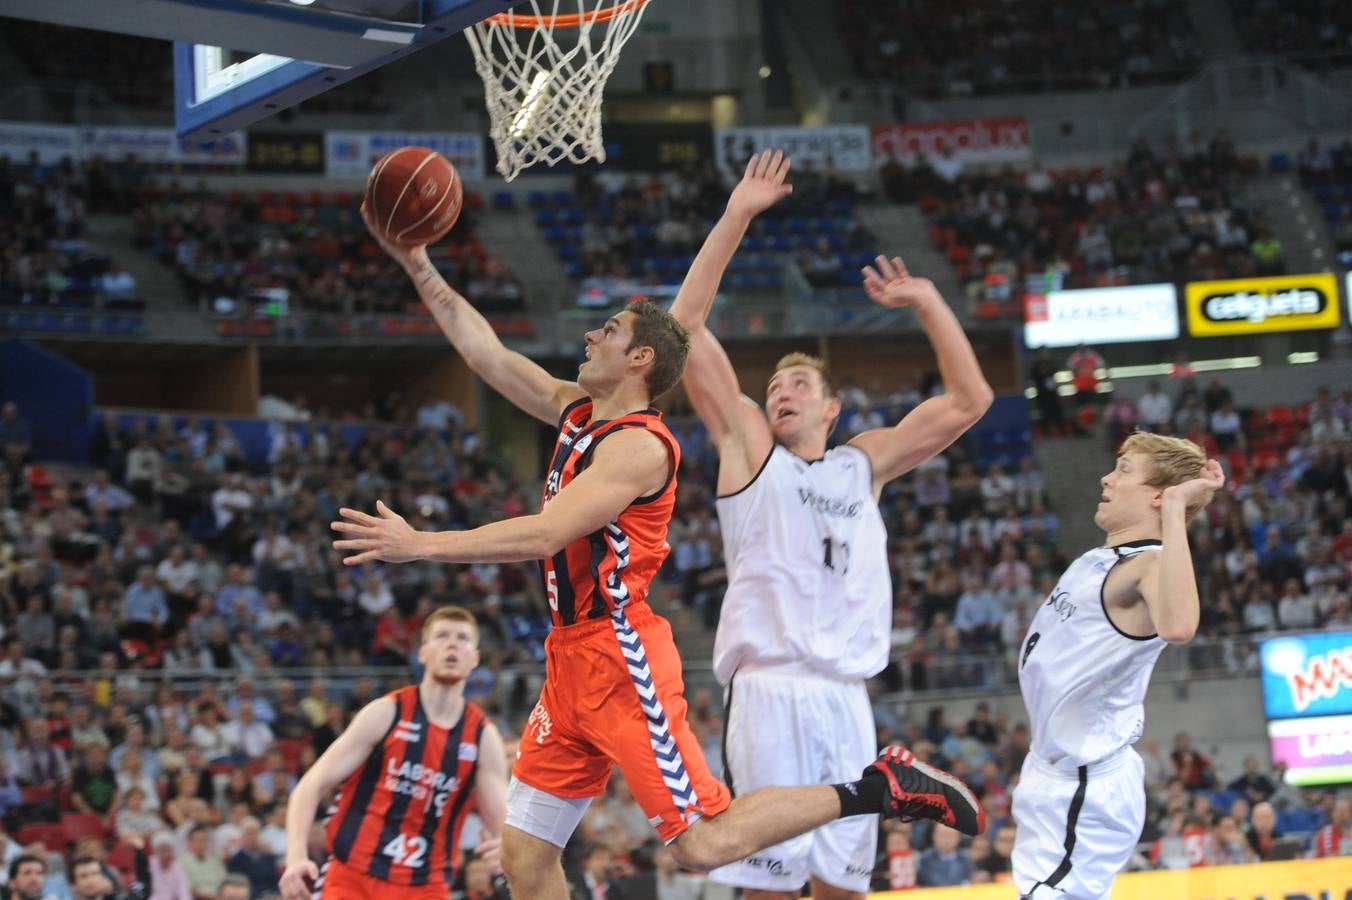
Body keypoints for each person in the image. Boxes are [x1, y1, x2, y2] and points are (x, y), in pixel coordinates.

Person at [335, 165, 983, 898]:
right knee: (524, 857)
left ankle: (881, 787)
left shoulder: (643, 446)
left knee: (700, 846)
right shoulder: (578, 411)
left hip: (622, 655)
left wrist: (420, 543)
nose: (589, 333)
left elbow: (549, 534)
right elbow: (485, 351)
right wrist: (417, 261)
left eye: (607, 330)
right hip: (573, 659)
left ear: (638, 360)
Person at [667, 150, 992, 899]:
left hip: (847, 695)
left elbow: (969, 400)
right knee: (767, 887)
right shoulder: (749, 447)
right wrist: (737, 214)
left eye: (799, 383)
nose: (782, 391)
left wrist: (929, 300)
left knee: (845, 889)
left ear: (830, 408)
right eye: (775, 384)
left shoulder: (861, 463)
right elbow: (682, 325)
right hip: (772, 688)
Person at [1013, 431, 1224, 899]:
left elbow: (1180, 625)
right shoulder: (1103, 557)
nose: (1106, 479)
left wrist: (1175, 512)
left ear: (1157, 495)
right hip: (1052, 771)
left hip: (1083, 784)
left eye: (1124, 471)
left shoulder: (1149, 563)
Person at [279, 607, 508, 900]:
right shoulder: (386, 712)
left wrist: (507, 848)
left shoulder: (482, 736)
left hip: (425, 887)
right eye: (442, 636)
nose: (452, 644)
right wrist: (296, 856)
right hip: (353, 878)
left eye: (463, 638)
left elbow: (503, 825)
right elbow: (310, 785)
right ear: (423, 653)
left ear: (474, 658)